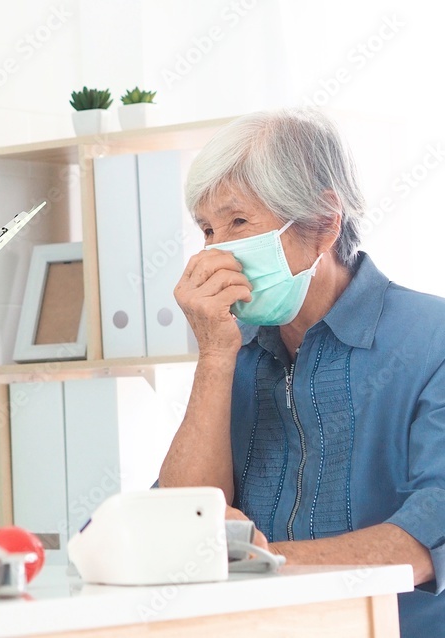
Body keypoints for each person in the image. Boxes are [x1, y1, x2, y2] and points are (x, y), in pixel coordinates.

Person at [159, 109, 444, 636]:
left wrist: (270, 563)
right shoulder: (234, 349)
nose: (216, 251)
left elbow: (431, 531)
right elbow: (182, 520)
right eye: (206, 229)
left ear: (322, 221)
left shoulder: (434, 339)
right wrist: (215, 359)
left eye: (238, 222)